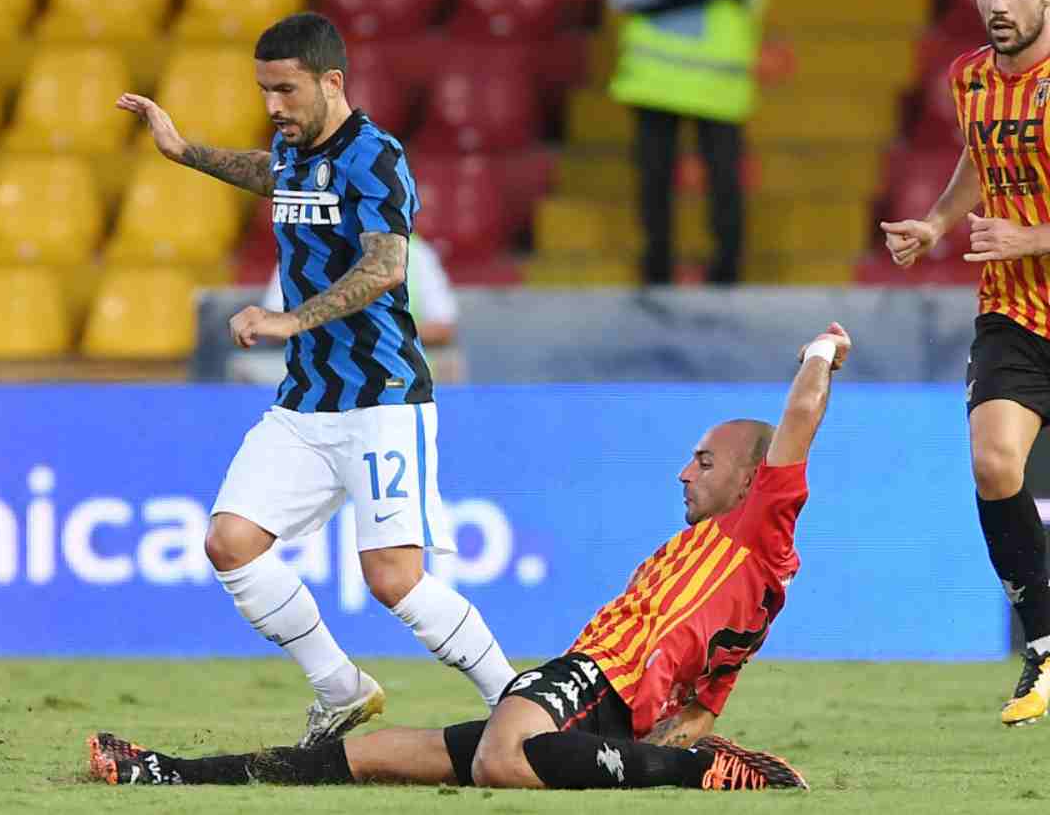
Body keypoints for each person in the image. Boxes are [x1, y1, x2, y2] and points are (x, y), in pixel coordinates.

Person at [87, 322, 851, 792]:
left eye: (705, 462)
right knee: (375, 757)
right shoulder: (752, 581)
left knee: (501, 761)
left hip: (589, 678)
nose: (685, 472)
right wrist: (668, 746)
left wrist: (821, 349)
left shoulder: (758, 526)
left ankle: (701, 779)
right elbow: (699, 704)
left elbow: (801, 414)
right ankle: (171, 772)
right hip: (601, 720)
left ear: (754, 479)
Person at [115, 12, 516, 747]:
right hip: (305, 403)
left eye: (285, 90)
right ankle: (340, 688)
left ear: (331, 82)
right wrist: (183, 153)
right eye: (264, 90)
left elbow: (386, 265)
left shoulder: (378, 156)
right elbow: (274, 176)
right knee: (230, 541)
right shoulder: (295, 150)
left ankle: (514, 700)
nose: (272, 106)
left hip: (381, 397)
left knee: (393, 578)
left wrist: (290, 321)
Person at [881, 0, 1050, 727]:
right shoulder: (970, 79)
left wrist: (1028, 235)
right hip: (1014, 312)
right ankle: (1045, 649)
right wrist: (937, 224)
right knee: (992, 461)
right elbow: (982, 162)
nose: (998, 3)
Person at [607, 0, 760, 285]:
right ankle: (657, 275)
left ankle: (726, 277)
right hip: (655, 83)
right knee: (654, 181)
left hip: (717, 86)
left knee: (724, 184)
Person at [232, 233, 461, 383]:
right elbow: (273, 324)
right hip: (313, 374)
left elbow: (443, 328)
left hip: (393, 376)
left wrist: (372, 334)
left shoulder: (417, 253)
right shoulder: (301, 249)